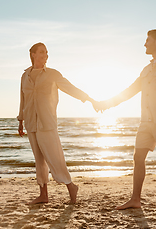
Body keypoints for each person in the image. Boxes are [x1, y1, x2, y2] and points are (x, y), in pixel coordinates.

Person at [96, 30, 156, 211]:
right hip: (146, 121)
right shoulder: (147, 69)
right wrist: (107, 103)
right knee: (138, 157)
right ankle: (135, 199)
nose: (145, 44)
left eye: (147, 41)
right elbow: (130, 91)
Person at [17, 42, 97, 204]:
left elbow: (70, 88)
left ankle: (70, 186)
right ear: (33, 54)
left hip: (47, 123)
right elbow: (22, 100)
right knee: (39, 160)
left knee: (55, 158)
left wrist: (89, 99)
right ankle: (43, 194)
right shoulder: (25, 76)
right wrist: (20, 120)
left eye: (46, 52)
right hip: (31, 123)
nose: (46, 55)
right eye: (42, 52)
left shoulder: (52, 74)